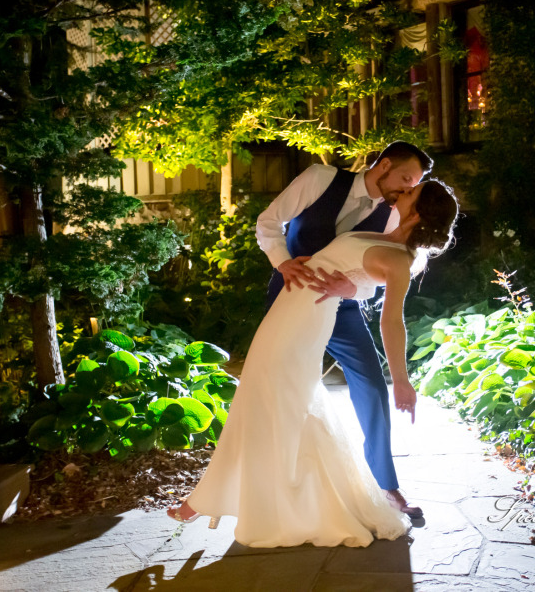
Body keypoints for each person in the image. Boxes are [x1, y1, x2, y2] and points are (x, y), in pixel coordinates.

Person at [167, 179, 459, 548]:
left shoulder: (400, 258)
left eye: (412, 193)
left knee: (266, 399)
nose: (404, 191)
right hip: (291, 309)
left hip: (303, 319)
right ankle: (286, 495)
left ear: (416, 212)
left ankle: (208, 500)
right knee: (275, 401)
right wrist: (333, 276)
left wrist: (401, 380)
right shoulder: (387, 236)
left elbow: (391, 321)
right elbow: (354, 270)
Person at [254, 141, 434, 518]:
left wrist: (357, 289)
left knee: (371, 385)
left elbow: (406, 264)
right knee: (281, 386)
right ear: (383, 165)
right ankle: (276, 482)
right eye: (405, 178)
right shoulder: (320, 178)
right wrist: (282, 262)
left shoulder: (393, 213)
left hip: (345, 308)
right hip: (290, 298)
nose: (406, 189)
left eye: (414, 184)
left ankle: (387, 487)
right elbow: (269, 221)